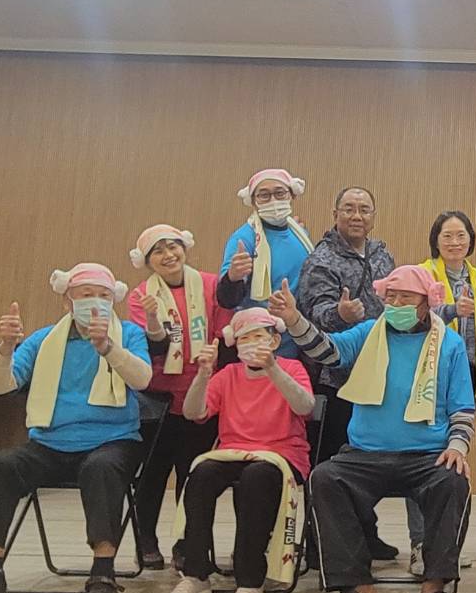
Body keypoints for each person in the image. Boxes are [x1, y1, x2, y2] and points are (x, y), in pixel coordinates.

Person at [0, 263, 152, 593]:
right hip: (49, 443)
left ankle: (102, 573)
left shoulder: (128, 334)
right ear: (68, 301)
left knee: (101, 468)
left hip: (112, 440)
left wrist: (108, 348)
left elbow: (143, 379)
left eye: (103, 295)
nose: (95, 302)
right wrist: (6, 348)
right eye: (86, 295)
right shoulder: (43, 339)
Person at [282, 265, 476, 593]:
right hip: (365, 454)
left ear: (426, 303)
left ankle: (434, 592)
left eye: (406, 298)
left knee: (454, 482)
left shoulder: (449, 344)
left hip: (426, 456)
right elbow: (327, 351)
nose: (396, 304)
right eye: (391, 297)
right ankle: (358, 590)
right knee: (325, 478)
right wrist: (294, 319)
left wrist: (457, 446)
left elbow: (463, 407)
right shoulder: (369, 332)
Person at [163, 308, 315, 593]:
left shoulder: (292, 367)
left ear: (275, 341)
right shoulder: (228, 374)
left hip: (281, 454)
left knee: (256, 479)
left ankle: (250, 579)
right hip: (232, 451)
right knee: (201, 474)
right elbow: (193, 413)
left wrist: (273, 369)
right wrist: (203, 375)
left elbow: (305, 406)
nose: (252, 343)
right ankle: (195, 574)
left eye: (259, 336)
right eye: (244, 338)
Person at [294, 185, 397, 558]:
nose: (357, 216)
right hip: (334, 378)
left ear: (373, 216)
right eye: (349, 208)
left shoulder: (383, 255)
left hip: (376, 374)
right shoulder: (320, 260)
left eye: (364, 209)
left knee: (366, 460)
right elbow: (313, 314)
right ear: (335, 213)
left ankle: (365, 534)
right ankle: (320, 543)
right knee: (330, 464)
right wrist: (340, 314)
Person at [125, 223, 231, 570]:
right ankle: (145, 540)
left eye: (173, 246)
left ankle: (189, 543)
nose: (168, 255)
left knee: (193, 475)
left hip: (202, 394)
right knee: (152, 474)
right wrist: (154, 321)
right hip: (157, 399)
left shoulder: (211, 284)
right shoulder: (142, 295)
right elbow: (151, 347)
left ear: (185, 248)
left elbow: (223, 333)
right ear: (147, 262)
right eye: (158, 251)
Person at [413, 210, 476, 577]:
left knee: (454, 462)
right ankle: (420, 545)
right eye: (447, 235)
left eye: (461, 235)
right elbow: (414, 317)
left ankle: (445, 546)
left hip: (467, 374)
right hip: (428, 374)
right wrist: (449, 310)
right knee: (422, 460)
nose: (455, 242)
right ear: (436, 240)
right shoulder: (422, 272)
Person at [218, 170, 315, 354]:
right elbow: (226, 300)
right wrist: (233, 277)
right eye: (264, 195)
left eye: (279, 193)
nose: (273, 200)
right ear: (253, 201)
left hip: (301, 338)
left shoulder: (301, 234)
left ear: (292, 195)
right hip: (262, 343)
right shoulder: (244, 239)